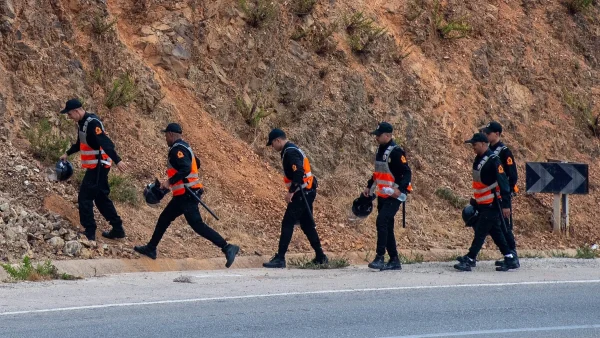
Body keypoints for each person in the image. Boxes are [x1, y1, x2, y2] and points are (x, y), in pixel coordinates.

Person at [133, 123, 239, 268]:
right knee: (164, 218)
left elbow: (186, 167)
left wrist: (170, 181)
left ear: (170, 134)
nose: (165, 138)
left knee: (197, 225)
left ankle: (227, 247)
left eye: (166, 135)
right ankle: (151, 248)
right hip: (184, 194)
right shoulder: (185, 146)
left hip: (187, 195)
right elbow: (197, 163)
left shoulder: (177, 149)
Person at [60, 99, 129, 241]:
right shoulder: (82, 124)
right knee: (101, 198)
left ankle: (90, 231)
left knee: (84, 197)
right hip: (97, 167)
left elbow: (105, 142)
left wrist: (118, 160)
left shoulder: (92, 123)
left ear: (77, 111)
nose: (69, 117)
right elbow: (80, 144)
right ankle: (118, 229)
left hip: (99, 166)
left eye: (70, 114)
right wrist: (67, 153)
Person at [263, 128, 328, 268]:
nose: (272, 147)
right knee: (306, 224)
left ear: (277, 140)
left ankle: (280, 258)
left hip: (301, 193)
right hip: (307, 191)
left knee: (287, 223)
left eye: (272, 144)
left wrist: (291, 191)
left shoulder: (290, 152)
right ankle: (321, 256)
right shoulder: (291, 149)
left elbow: (299, 171)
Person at [454, 133, 519, 272]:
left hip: (492, 203)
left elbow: (504, 185)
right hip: (483, 203)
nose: (473, 147)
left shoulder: (494, 160)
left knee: (481, 232)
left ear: (483, 144)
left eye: (475, 144)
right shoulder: (480, 158)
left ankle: (470, 258)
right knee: (496, 232)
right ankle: (510, 257)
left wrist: (506, 205)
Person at [363, 122, 412, 271]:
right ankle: (394, 259)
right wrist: (369, 187)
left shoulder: (396, 152)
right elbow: (378, 172)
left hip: (394, 195)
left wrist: (400, 189)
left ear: (388, 135)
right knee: (387, 226)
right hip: (383, 194)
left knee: (382, 221)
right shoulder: (380, 149)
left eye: (378, 135)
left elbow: (407, 172)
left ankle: (380, 257)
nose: (376, 137)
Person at [481, 121, 519, 267]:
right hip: (490, 196)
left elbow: (512, 177)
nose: (486, 135)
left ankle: (512, 255)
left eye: (488, 133)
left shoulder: (504, 152)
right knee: (494, 225)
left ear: (496, 134)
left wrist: (506, 198)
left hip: (501, 196)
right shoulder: (488, 151)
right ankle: (508, 254)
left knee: (504, 226)